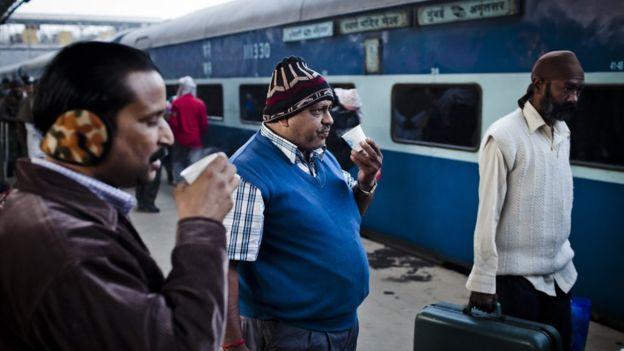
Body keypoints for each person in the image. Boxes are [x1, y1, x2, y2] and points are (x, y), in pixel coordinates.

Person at [0, 41, 239, 350]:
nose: (167, 136)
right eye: (150, 121)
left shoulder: (57, 209)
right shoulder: (72, 248)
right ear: (82, 131)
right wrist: (201, 225)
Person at [222, 56, 383, 351]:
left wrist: (366, 180)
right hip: (289, 332)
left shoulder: (322, 156)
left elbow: (350, 216)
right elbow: (225, 266)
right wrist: (232, 343)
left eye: (328, 109)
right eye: (317, 111)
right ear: (283, 116)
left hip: (341, 324)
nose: (329, 120)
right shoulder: (248, 173)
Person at [466, 50, 585, 351]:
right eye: (567, 88)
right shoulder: (504, 136)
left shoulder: (563, 131)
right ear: (538, 83)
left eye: (578, 90)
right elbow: (487, 213)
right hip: (516, 283)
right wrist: (483, 280)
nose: (574, 98)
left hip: (560, 276)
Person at [169, 76, 208, 183]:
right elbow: (204, 124)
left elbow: (173, 123)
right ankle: (193, 185)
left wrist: (176, 136)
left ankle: (180, 184)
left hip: (180, 140)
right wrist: (198, 134)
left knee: (178, 161)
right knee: (194, 164)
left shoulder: (176, 103)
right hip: (195, 140)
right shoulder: (200, 104)